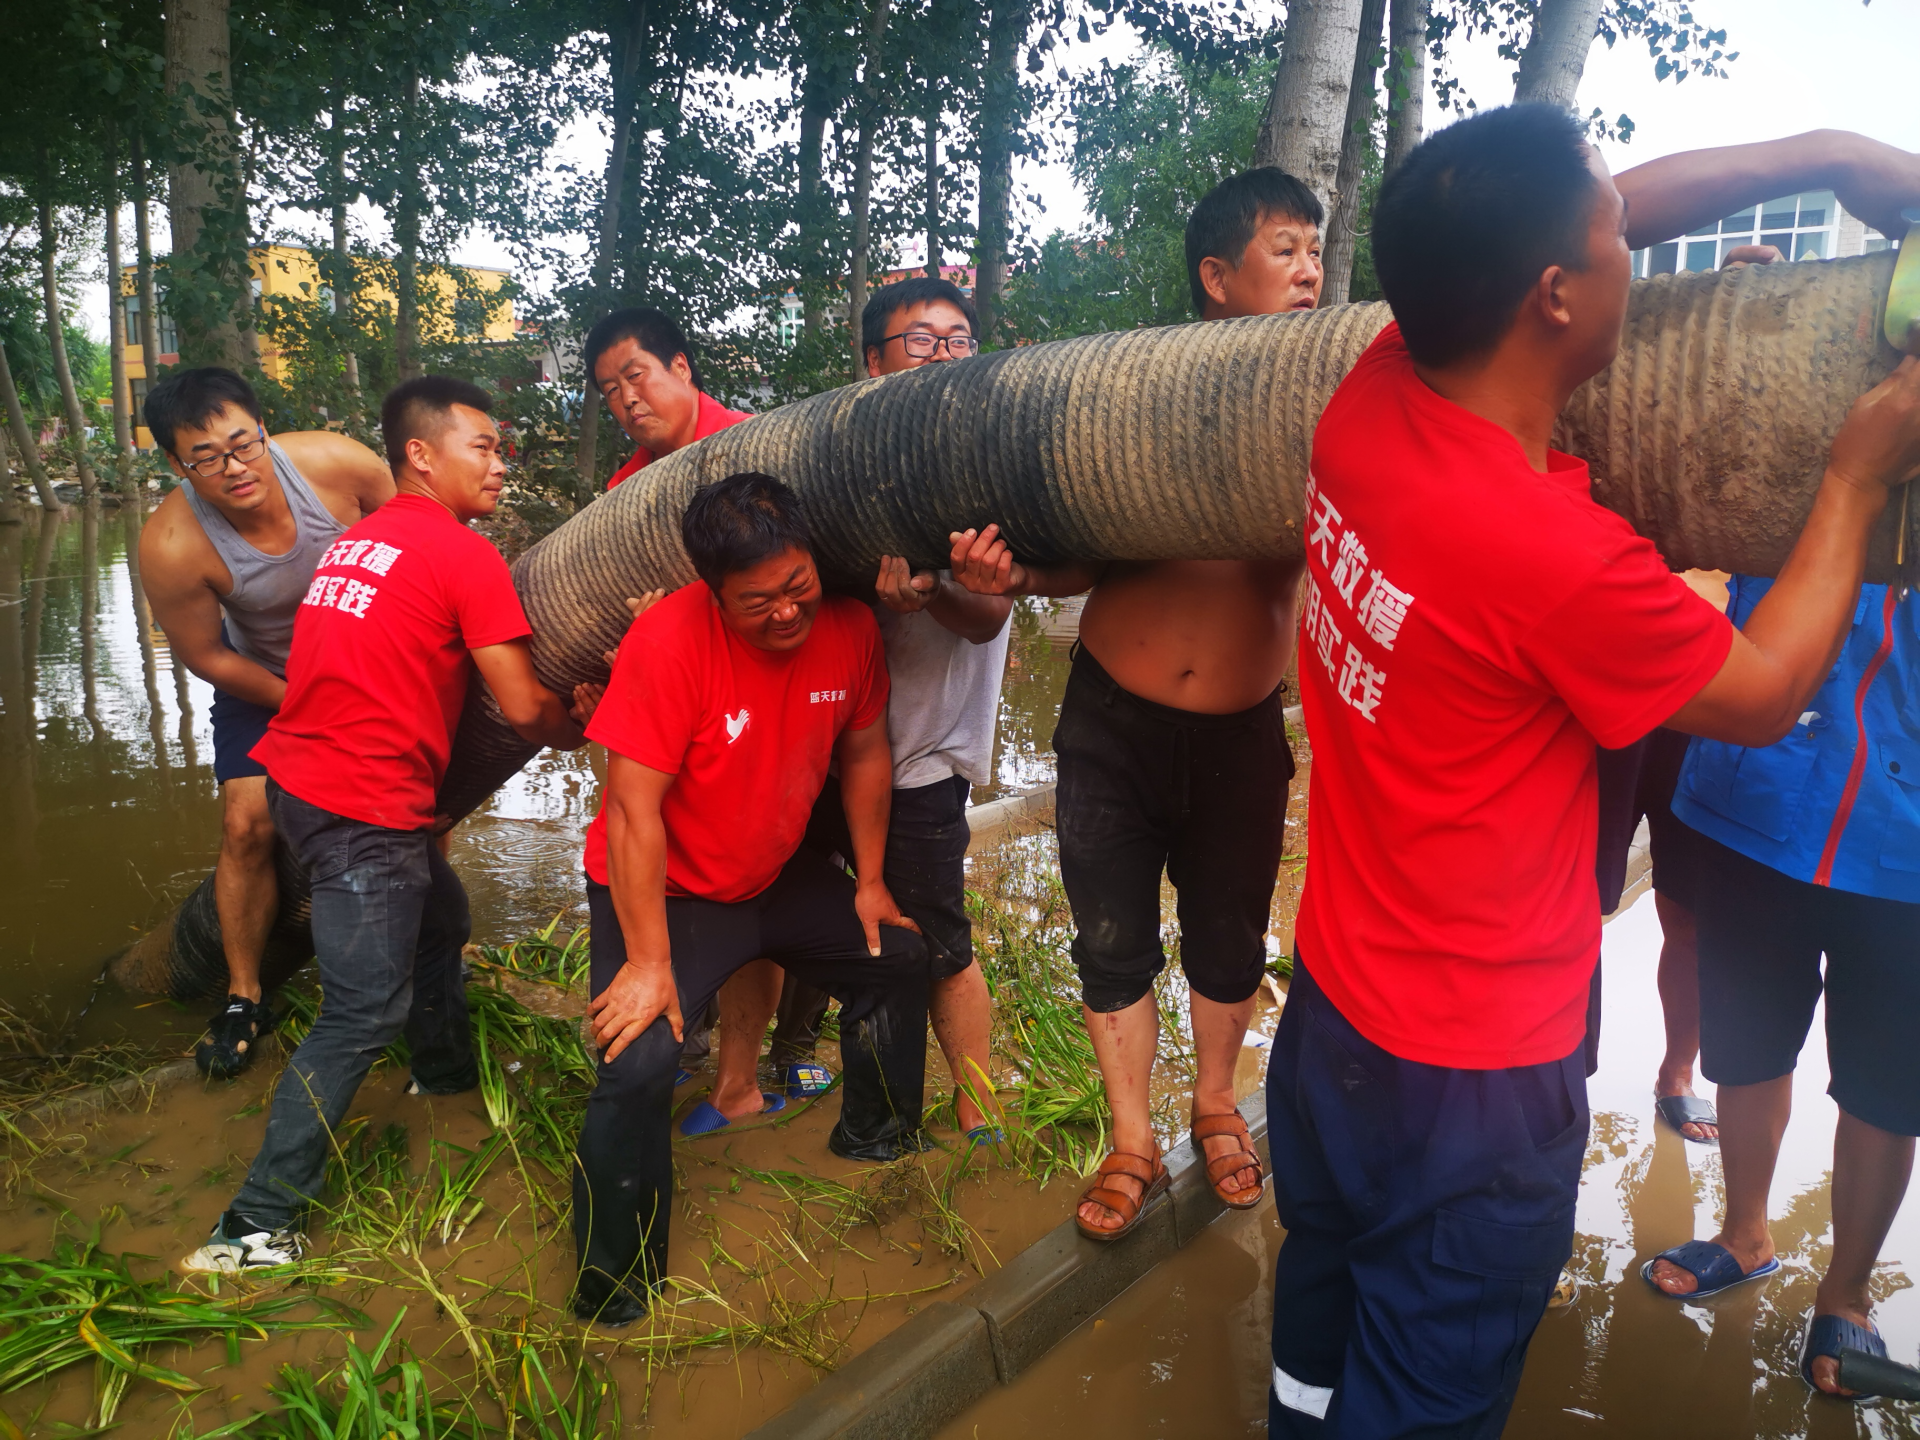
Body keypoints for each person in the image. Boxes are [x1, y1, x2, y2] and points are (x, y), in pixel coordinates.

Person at [1263, 107, 1920, 1438]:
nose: (1640, 243)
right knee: (1428, 1393)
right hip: (1476, 1085)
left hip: (1333, 1014)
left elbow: (1593, 206)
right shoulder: (1552, 556)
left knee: (1317, 1341)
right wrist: (1853, 481)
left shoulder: (1375, 396)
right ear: (1554, 294)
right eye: (1616, 240)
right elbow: (1766, 691)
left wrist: (1831, 161)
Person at [948, 166, 1325, 1238]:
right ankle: (1132, 1141)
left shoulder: (1325, 401)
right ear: (1217, 275)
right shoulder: (1137, 396)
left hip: (1242, 733)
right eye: (1283, 250)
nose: (1307, 270)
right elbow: (1079, 559)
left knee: (1228, 938)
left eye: (1313, 250)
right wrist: (1009, 577)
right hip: (1114, 722)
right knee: (1111, 941)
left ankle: (1215, 1109)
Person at [179, 377, 599, 1273]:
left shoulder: (357, 542)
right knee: (359, 1012)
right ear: (420, 453)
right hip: (361, 806)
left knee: (441, 921)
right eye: (482, 446)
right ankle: (251, 1226)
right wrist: (586, 723)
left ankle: (440, 1071)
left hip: (305, 780)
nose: (500, 462)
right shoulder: (461, 555)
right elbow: (525, 708)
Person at [1642, 247, 1920, 1403]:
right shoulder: (1820, 417)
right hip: (1755, 798)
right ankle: (1745, 1234)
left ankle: (1842, 1300)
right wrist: (1738, 324)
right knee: (1747, 1047)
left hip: (1905, 845)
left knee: (1889, 1088)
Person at [571, 471, 931, 1324]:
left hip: (772, 875)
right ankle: (614, 1285)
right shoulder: (667, 641)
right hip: (668, 890)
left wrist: (872, 884)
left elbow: (868, 754)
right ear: (712, 592)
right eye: (756, 601)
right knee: (640, 1056)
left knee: (899, 956)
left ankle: (876, 1140)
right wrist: (650, 963)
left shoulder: (847, 629)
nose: (784, 614)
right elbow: (632, 811)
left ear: (816, 565)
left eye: (798, 588)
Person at [695, 275, 1011, 1139]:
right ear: (872, 361)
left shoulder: (982, 468)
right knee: (767, 917)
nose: (944, 354)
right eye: (922, 339)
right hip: (813, 756)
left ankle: (974, 1106)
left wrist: (930, 594)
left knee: (931, 942)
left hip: (914, 763)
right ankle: (743, 1081)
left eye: (958, 339)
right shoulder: (833, 470)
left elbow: (988, 619)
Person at [137, 367, 394, 1078]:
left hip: (375, 657)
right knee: (247, 824)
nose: (234, 468)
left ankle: (426, 951)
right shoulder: (171, 543)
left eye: (242, 444)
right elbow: (207, 655)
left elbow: (418, 535)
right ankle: (245, 994)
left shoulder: (336, 465)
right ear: (176, 463)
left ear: (262, 427)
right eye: (207, 458)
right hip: (265, 679)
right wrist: (305, 703)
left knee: (419, 799)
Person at [586, 307, 750, 490]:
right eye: (612, 390)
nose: (627, 399)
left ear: (680, 367)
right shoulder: (623, 489)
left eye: (634, 375)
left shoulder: (757, 443)